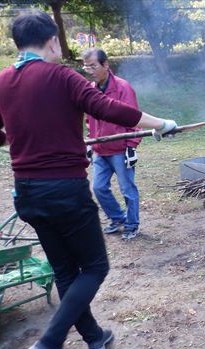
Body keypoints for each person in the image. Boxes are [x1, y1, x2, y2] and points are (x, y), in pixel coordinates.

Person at [0, 10, 177, 349]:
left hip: (26, 192)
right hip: (64, 190)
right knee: (94, 266)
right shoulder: (62, 77)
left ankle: (94, 338)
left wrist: (8, 140)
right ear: (52, 41)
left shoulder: (0, 83)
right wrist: (162, 124)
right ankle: (49, 342)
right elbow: (108, 108)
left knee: (65, 271)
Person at [84, 48, 142, 240]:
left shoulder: (122, 87)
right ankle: (118, 218)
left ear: (105, 65)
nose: (89, 70)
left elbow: (134, 118)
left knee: (127, 189)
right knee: (98, 188)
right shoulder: (90, 91)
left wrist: (131, 146)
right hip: (100, 149)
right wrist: (90, 144)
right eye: (86, 66)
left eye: (93, 65)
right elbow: (89, 120)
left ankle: (132, 224)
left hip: (120, 149)